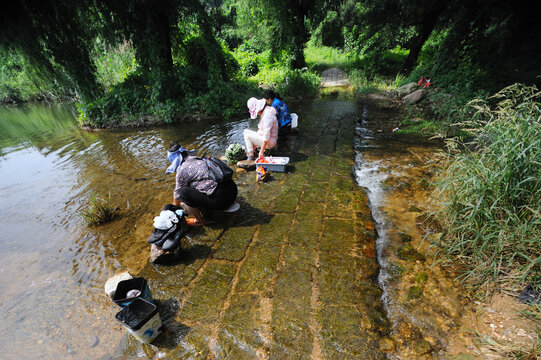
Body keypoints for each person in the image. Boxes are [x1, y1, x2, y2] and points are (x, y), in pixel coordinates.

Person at [166, 142, 238, 226]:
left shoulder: (182, 170)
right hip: (233, 192)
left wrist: (174, 208)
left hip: (221, 202)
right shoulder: (198, 158)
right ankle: (229, 204)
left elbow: (177, 193)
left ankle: (199, 221)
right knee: (196, 183)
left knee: (183, 193)